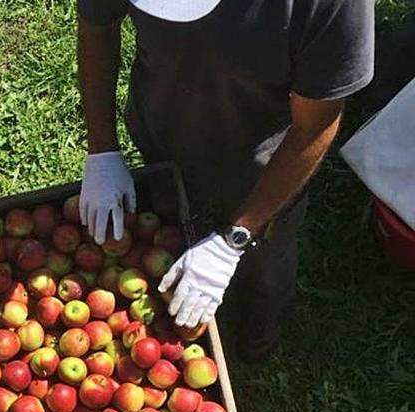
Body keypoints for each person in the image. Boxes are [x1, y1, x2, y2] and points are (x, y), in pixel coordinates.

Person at [76, 0, 374, 361]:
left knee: (265, 262)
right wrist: (102, 150)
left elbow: (315, 125)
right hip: (164, 133)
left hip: (263, 167)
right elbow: (97, 26)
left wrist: (237, 236)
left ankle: (258, 330)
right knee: (171, 219)